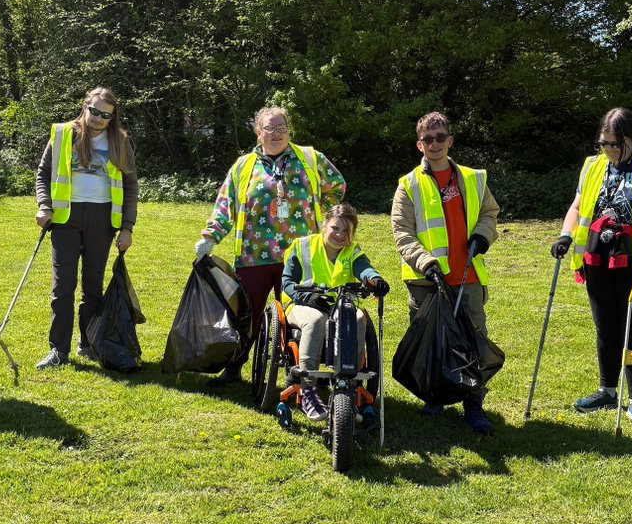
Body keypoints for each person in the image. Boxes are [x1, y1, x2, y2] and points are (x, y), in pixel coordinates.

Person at [194, 106, 346, 387]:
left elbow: (336, 187)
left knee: (297, 315)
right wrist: (211, 236)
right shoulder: (243, 166)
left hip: (299, 256)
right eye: (269, 128)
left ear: (289, 131)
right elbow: (226, 205)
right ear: (258, 132)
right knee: (245, 314)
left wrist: (318, 217)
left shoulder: (311, 158)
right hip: (254, 257)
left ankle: (295, 371)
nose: (276, 134)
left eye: (282, 128)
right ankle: (234, 366)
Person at [550, 107, 632, 431]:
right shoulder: (593, 166)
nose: (608, 150)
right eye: (603, 143)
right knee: (605, 326)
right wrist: (566, 235)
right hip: (598, 256)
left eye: (614, 144)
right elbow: (578, 206)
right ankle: (607, 390)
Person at [391, 111, 500, 435]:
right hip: (425, 281)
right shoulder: (408, 186)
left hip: (467, 278)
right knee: (430, 345)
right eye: (428, 139)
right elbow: (401, 232)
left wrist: (482, 235)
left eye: (440, 137)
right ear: (419, 145)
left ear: (450, 141)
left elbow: (490, 212)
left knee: (474, 342)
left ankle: (474, 405)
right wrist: (425, 262)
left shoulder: (472, 178)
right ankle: (434, 398)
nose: (435, 143)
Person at [35, 87, 137, 367]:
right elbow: (43, 174)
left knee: (93, 287)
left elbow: (130, 184)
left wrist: (127, 227)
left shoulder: (120, 140)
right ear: (85, 106)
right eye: (94, 111)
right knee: (62, 287)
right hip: (65, 219)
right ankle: (59, 350)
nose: (98, 119)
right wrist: (44, 206)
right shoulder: (62, 134)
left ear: (112, 117)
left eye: (106, 115)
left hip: (102, 220)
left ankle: (88, 343)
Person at [281, 204, 389, 421]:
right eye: (335, 228)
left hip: (339, 306)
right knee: (316, 319)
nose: (340, 235)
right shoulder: (302, 246)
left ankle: (347, 385)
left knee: (358, 317)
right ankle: (308, 389)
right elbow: (287, 282)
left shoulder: (353, 252)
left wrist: (374, 280)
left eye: (346, 231)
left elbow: (365, 270)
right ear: (324, 226)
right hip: (302, 304)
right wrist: (308, 298)